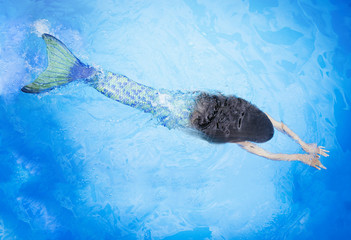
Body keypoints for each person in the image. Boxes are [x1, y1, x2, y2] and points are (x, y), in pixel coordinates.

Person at [22, 34, 329, 170]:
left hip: (195, 102)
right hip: (177, 117)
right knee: (142, 100)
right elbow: (268, 155)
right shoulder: (240, 141)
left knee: (146, 93)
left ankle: (85, 71)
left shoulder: (243, 109)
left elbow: (280, 124)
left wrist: (303, 144)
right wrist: (301, 156)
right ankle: (78, 72)